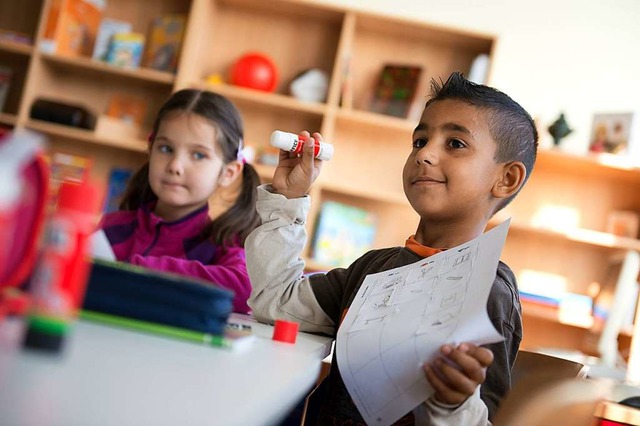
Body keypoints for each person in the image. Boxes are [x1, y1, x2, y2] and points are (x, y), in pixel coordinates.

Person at [245, 71, 538, 424]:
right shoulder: (373, 267)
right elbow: (276, 303)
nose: (424, 154)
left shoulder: (488, 290)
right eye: (419, 141)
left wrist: (454, 404)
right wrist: (289, 199)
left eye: (455, 144)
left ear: (506, 179)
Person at [100, 89, 261, 314]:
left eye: (198, 155)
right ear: (150, 149)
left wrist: (137, 270)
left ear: (229, 172)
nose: (175, 165)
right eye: (166, 149)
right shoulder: (109, 230)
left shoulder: (223, 245)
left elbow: (245, 289)